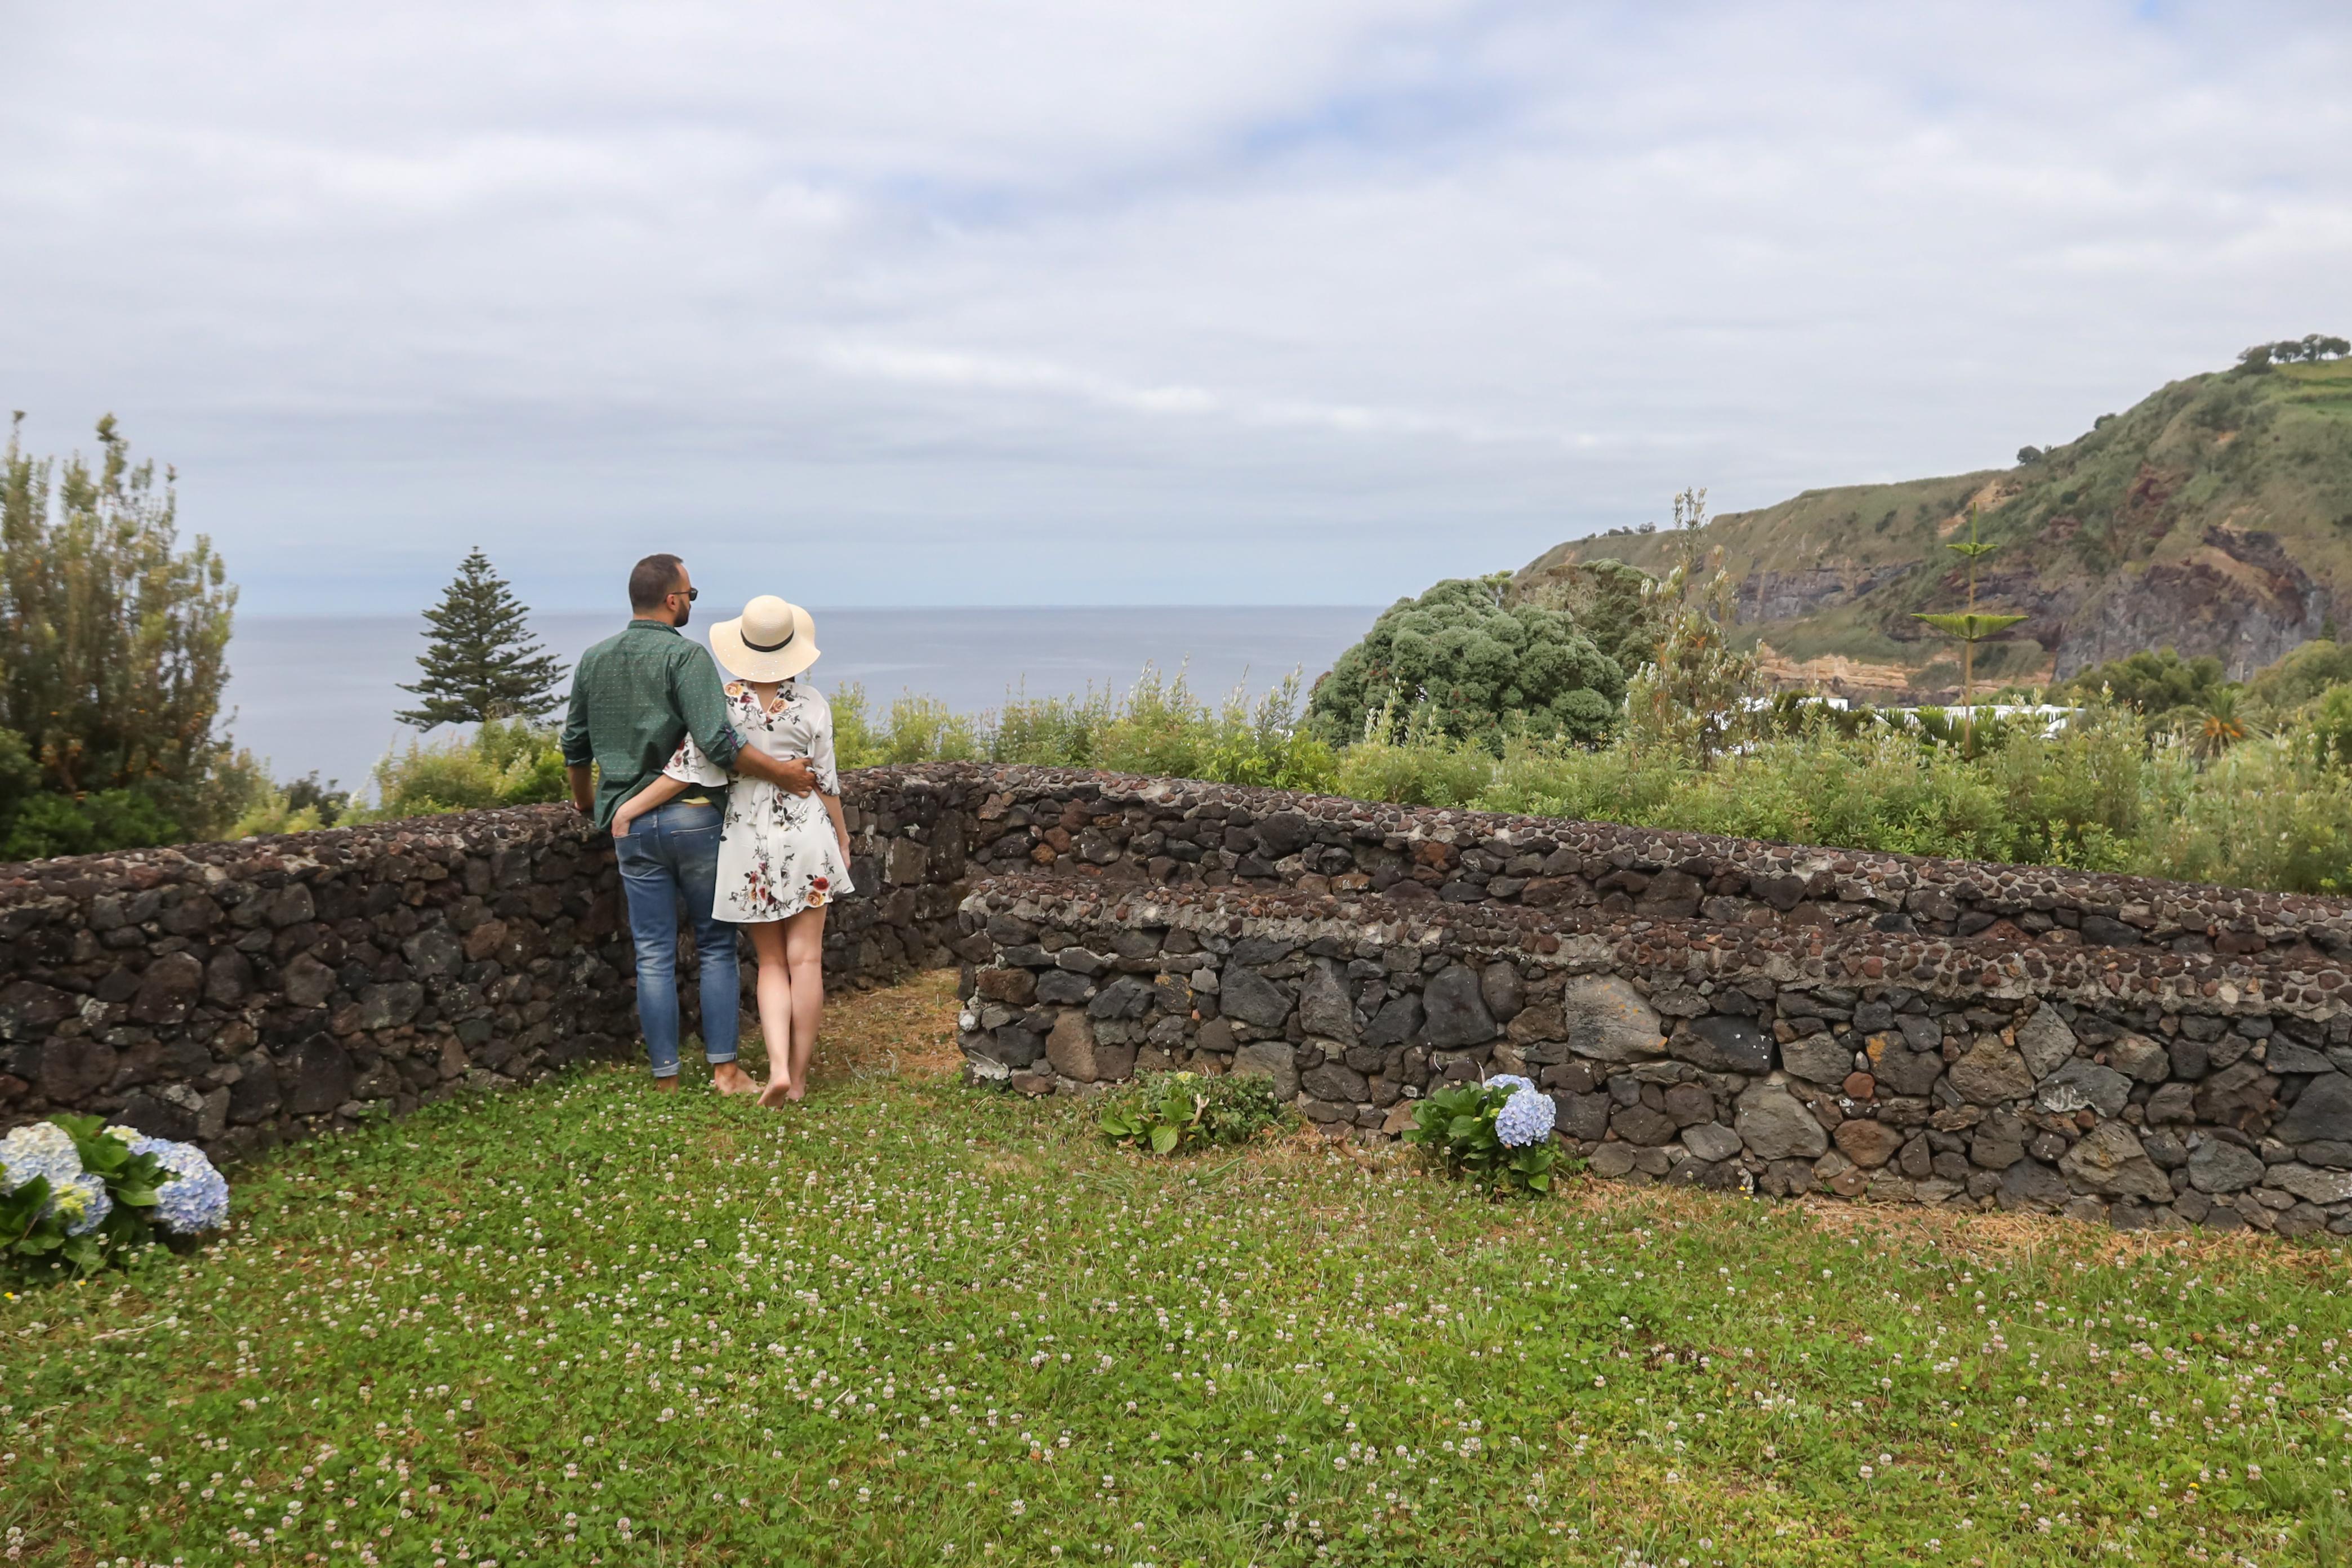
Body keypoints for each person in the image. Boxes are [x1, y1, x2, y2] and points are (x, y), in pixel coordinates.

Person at [560, 555, 816, 1092]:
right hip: (695, 820)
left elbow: (576, 750)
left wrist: (589, 806)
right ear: (673, 600)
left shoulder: (593, 660)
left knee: (652, 951)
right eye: (691, 594)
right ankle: (724, 1069)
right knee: (715, 945)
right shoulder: (686, 657)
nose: (691, 603)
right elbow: (720, 744)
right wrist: (783, 773)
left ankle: (666, 1079)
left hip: (628, 824)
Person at [611, 595, 852, 1107]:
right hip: (807, 832)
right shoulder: (812, 704)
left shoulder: (722, 702)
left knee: (769, 964)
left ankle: (778, 1070)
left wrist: (629, 809)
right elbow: (826, 782)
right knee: (806, 960)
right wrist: (844, 838)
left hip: (747, 838)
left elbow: (685, 771)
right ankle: (801, 1080)